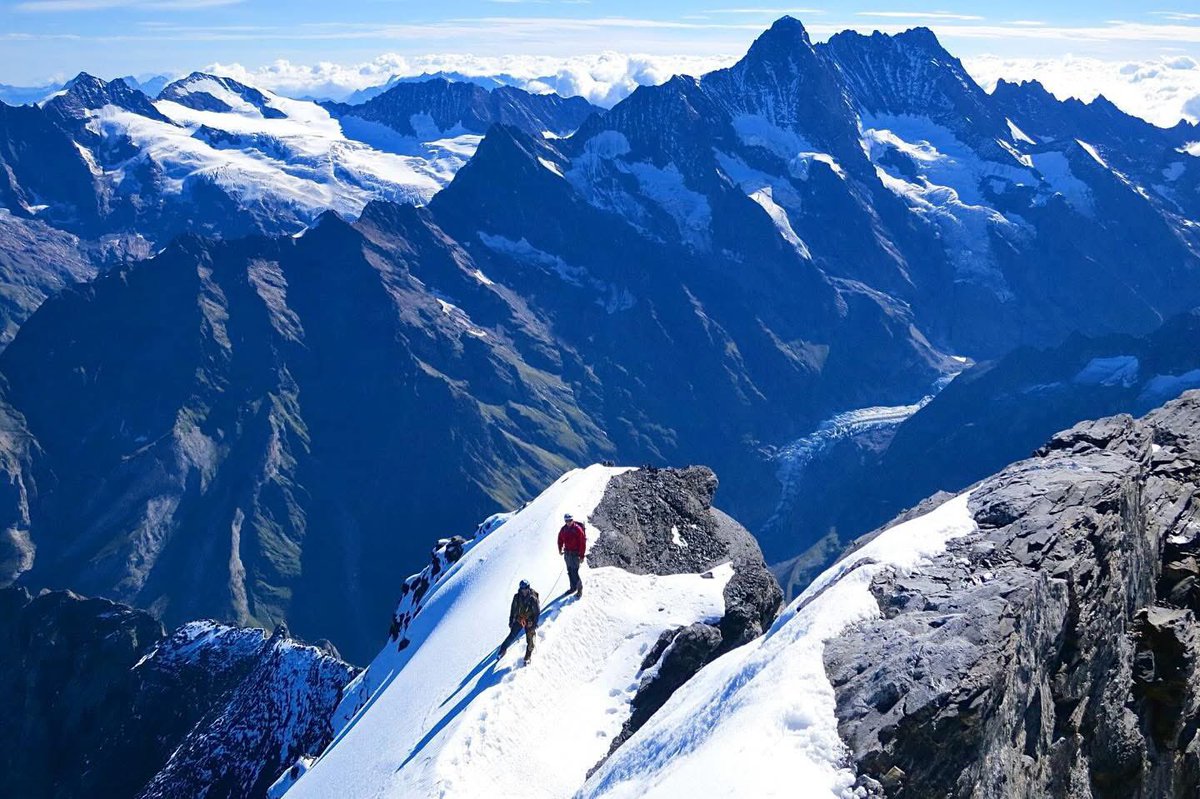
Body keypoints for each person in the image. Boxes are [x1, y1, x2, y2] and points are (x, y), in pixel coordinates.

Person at [499, 579, 540, 664]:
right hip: (520, 618)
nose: (524, 590)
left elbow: (537, 613)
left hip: (530, 620)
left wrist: (534, 624)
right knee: (512, 635)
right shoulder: (517, 597)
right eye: (522, 588)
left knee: (530, 638)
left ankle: (528, 656)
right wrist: (511, 620)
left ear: (528, 588)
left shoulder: (533, 599)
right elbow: (513, 609)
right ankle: (502, 649)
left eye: (525, 588)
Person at [557, 513, 587, 598]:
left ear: (572, 520)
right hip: (567, 554)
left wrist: (581, 556)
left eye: (570, 520)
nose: (568, 522)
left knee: (574, 572)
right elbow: (560, 539)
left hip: (575, 554)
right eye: (567, 520)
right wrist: (560, 549)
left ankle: (579, 589)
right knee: (570, 571)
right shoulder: (563, 529)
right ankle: (572, 587)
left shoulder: (577, 529)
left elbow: (582, 543)